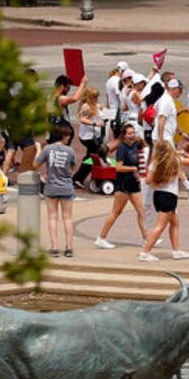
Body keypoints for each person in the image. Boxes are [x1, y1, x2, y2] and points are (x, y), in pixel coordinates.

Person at [95, 122, 149, 249]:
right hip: (123, 184)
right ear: (123, 136)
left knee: (142, 211)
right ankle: (101, 238)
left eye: (133, 132)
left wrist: (137, 172)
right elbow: (118, 167)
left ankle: (146, 238)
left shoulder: (135, 145)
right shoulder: (122, 149)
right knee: (116, 212)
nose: (132, 135)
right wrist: (132, 169)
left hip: (134, 185)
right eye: (129, 133)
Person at [140, 143, 189, 262]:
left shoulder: (154, 163)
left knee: (174, 222)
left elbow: (148, 180)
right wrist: (183, 153)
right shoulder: (175, 160)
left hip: (158, 194)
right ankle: (145, 252)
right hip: (169, 195)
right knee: (160, 226)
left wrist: (159, 178)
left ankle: (176, 251)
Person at [38, 126, 78, 258]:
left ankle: (54, 247)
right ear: (64, 136)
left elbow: (35, 163)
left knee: (52, 217)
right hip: (66, 185)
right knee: (67, 217)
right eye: (68, 136)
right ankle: (69, 247)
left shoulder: (48, 149)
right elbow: (73, 165)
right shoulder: (70, 150)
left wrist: (38, 149)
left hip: (51, 185)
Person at [71, 86, 107, 187]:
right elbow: (82, 119)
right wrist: (94, 123)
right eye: (94, 97)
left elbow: (99, 108)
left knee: (91, 156)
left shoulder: (95, 105)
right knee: (93, 156)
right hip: (88, 137)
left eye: (97, 96)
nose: (96, 98)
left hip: (94, 135)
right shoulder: (86, 106)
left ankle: (85, 177)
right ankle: (78, 178)